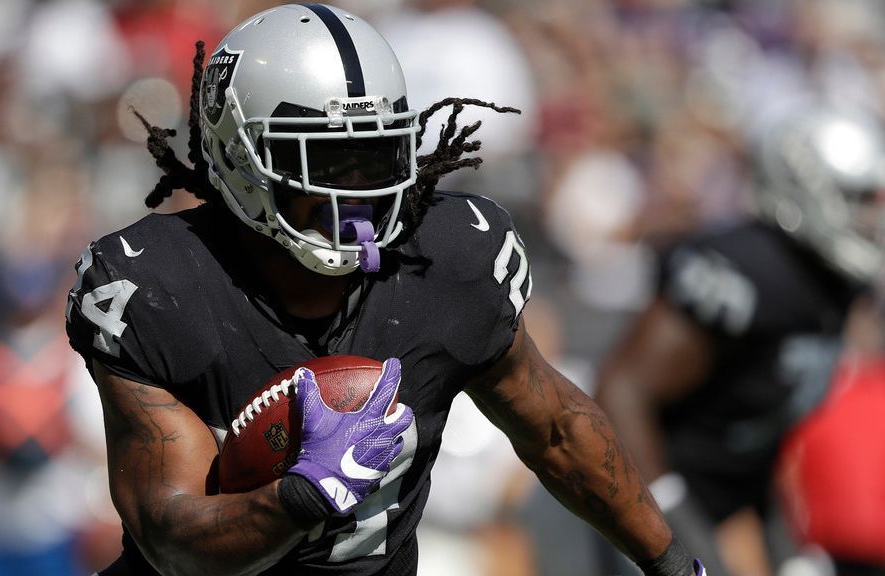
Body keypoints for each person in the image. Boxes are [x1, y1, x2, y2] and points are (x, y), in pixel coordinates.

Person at [65, 4, 704, 575]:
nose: (356, 199)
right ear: (239, 155)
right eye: (324, 165)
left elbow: (558, 432)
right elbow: (170, 539)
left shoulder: (445, 261)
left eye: (374, 161)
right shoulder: (155, 286)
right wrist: (298, 498)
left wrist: (672, 564)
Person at [595, 103, 885, 576]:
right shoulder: (745, 271)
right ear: (805, 188)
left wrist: (789, 552)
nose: (872, 220)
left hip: (712, 500)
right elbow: (621, 391)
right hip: (632, 490)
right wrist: (669, 515)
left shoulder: (833, 288)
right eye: (858, 201)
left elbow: (755, 432)